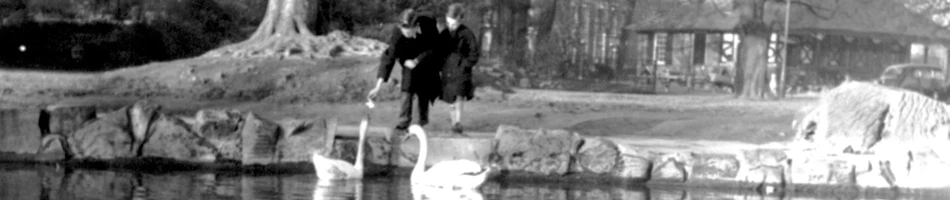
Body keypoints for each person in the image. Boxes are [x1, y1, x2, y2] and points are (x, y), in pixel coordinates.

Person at [368, 9, 442, 131]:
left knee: (423, 87)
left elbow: (435, 49)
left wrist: (417, 60)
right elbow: (389, 58)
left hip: (427, 58)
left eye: (409, 31)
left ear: (416, 26)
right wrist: (378, 86)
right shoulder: (397, 34)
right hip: (407, 58)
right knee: (407, 86)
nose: (406, 33)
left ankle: (420, 121)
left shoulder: (428, 26)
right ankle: (403, 122)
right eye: (404, 31)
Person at [439, 3, 480, 134]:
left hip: (462, 71)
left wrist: (466, 65)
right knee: (451, 98)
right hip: (448, 70)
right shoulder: (444, 33)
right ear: (446, 18)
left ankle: (458, 122)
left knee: (459, 96)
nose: (451, 26)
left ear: (460, 20)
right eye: (449, 23)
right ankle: (453, 123)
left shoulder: (467, 34)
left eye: (454, 24)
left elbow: (474, 52)